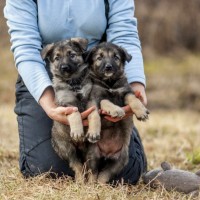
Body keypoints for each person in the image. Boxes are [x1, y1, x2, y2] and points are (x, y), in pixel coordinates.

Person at [4, 0, 147, 184]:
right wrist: (50, 107)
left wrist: (134, 88)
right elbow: (26, 48)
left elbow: (123, 34)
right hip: (43, 74)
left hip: (98, 69)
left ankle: (129, 143)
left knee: (122, 175)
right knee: (48, 170)